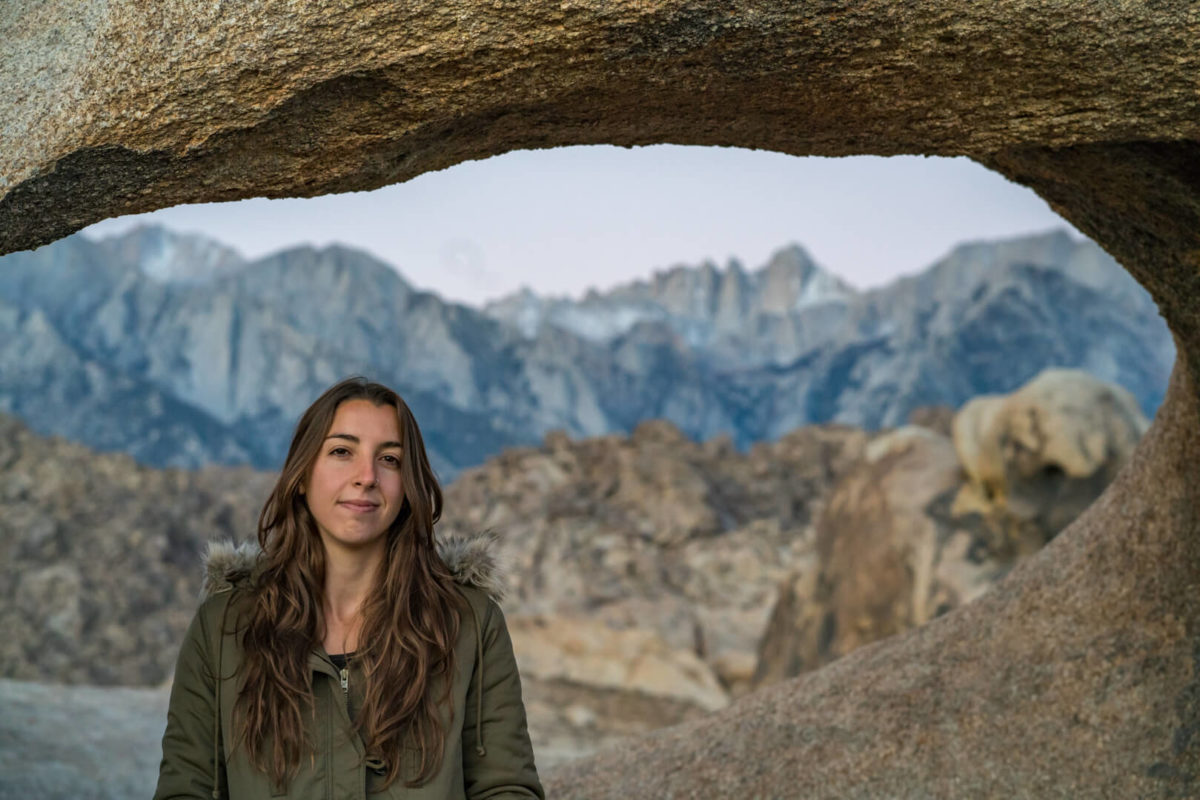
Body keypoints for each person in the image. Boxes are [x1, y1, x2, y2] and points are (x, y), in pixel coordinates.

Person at [154, 377, 544, 799]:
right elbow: (186, 789)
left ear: (408, 487)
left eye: (390, 459)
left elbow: (506, 788)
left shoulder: (469, 623)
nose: (367, 477)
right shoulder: (225, 628)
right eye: (342, 452)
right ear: (302, 475)